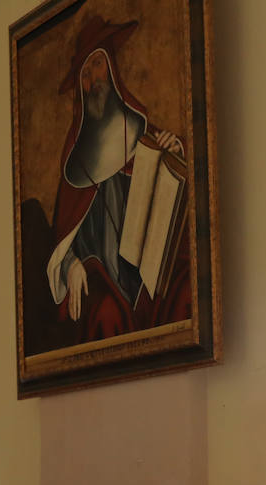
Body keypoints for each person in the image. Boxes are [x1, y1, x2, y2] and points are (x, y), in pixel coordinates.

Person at [46, 14, 190, 342]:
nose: (92, 79)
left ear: (111, 68)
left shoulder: (143, 136)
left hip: (147, 276)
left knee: (185, 293)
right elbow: (63, 236)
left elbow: (171, 198)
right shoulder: (76, 164)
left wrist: (172, 152)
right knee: (106, 315)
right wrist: (71, 265)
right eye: (84, 74)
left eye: (96, 66)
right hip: (102, 278)